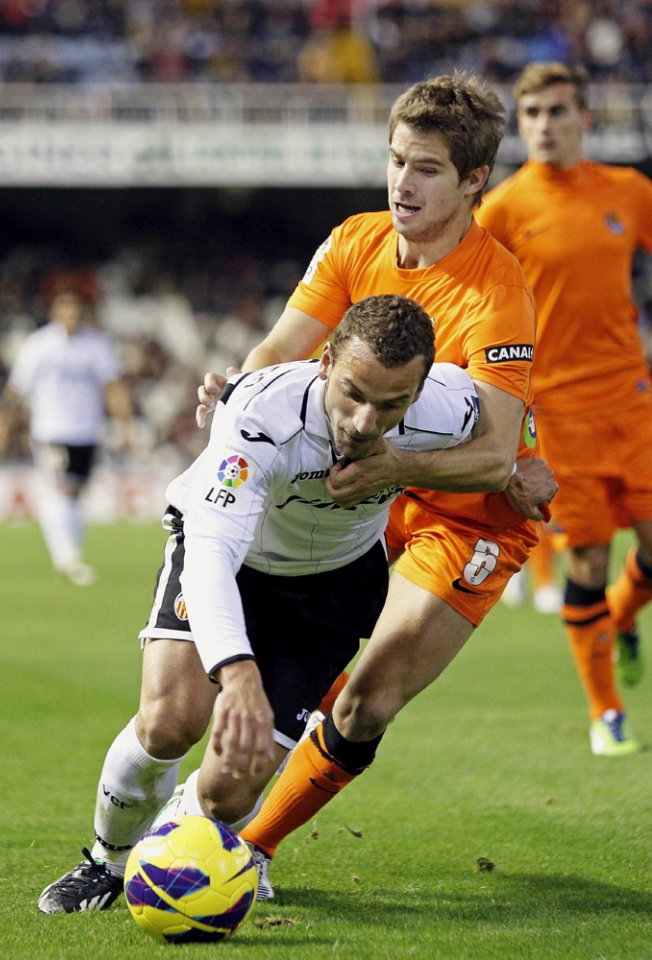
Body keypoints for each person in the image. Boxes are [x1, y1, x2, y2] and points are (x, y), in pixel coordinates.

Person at [191, 72, 557, 898]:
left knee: (365, 700)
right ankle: (197, 812)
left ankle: (247, 849)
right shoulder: (354, 240)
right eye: (395, 161)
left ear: (473, 182)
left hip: (469, 514)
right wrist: (240, 398)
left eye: (425, 168)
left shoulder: (496, 291)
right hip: (368, 482)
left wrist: (393, 467)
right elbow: (275, 353)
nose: (402, 183)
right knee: (291, 660)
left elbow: (497, 456)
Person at [37, 294, 481, 914]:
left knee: (231, 789)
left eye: (390, 404)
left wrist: (521, 470)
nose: (362, 421)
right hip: (235, 565)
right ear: (325, 362)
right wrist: (237, 672)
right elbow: (212, 552)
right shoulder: (260, 414)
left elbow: (509, 428)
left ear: (421, 389)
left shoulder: (451, 405)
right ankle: (105, 863)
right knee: (171, 722)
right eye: (352, 392)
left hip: (332, 589)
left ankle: (167, 850)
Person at [477, 62, 652, 756]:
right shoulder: (504, 209)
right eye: (531, 114)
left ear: (585, 117)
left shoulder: (628, 191)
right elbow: (467, 293)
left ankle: (619, 617)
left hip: (631, 400)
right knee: (584, 560)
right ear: (519, 125)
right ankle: (605, 712)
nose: (544, 125)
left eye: (556, 111)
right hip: (556, 412)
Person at [0, 291, 133, 585]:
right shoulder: (39, 345)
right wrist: (1, 424)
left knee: (76, 491)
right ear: (55, 312)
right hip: (50, 430)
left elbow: (114, 386)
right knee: (60, 487)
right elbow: (17, 389)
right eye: (65, 309)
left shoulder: (97, 345)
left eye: (76, 310)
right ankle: (67, 557)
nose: (72, 316)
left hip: (87, 430)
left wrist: (125, 423)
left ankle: (70, 552)